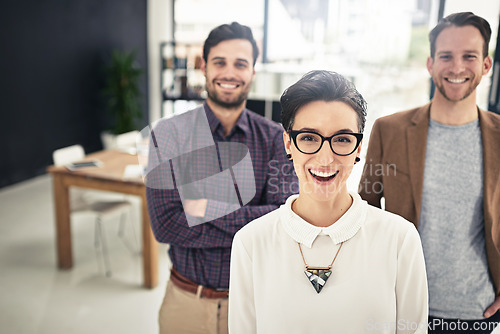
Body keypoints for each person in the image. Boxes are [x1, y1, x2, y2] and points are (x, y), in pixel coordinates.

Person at [228, 70, 428, 333]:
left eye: (342, 139)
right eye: (309, 138)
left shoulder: (400, 239)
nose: (325, 158)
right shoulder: (251, 242)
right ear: (288, 143)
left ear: (358, 148)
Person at [145, 22, 297, 334]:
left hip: (253, 306)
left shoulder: (274, 139)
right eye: (219, 62)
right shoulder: (168, 135)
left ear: (253, 71)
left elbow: (284, 221)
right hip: (185, 303)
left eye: (240, 64)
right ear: (203, 67)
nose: (229, 73)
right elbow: (165, 225)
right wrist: (248, 224)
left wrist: (203, 210)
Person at [358, 12, 500, 333]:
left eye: (469, 57)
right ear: (430, 64)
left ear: (486, 65)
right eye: (446, 56)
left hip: (476, 313)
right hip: (399, 306)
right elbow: (362, 213)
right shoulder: (388, 130)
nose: (457, 67)